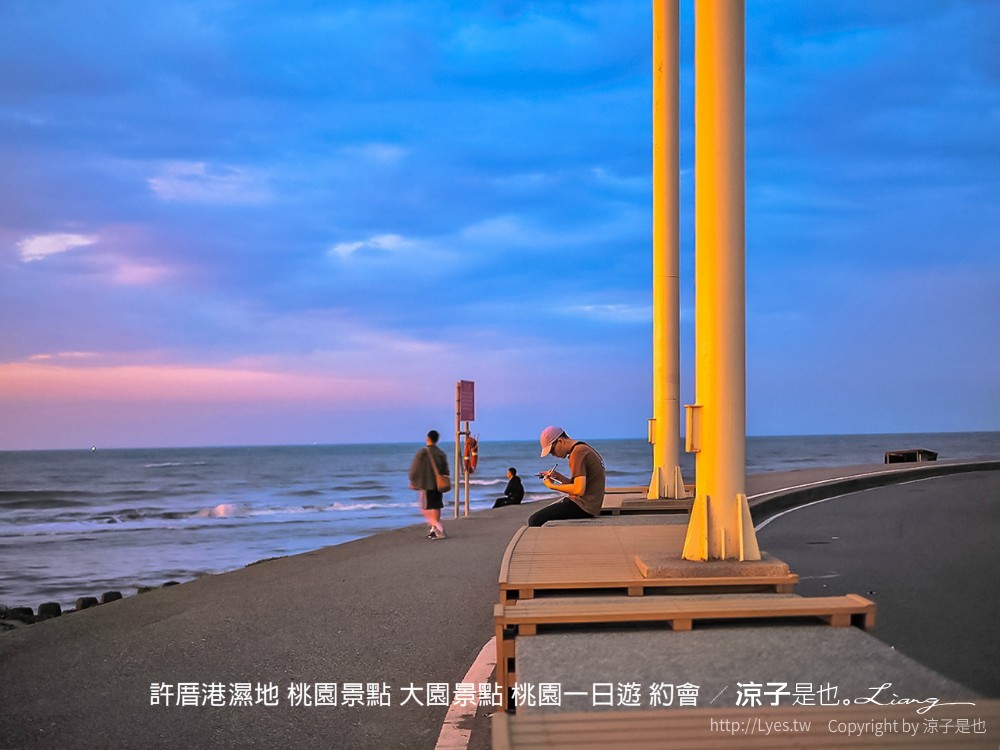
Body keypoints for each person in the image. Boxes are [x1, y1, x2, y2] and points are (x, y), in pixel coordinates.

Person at [528, 426, 606, 527]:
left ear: (560, 441)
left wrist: (551, 486)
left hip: (583, 507)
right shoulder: (582, 448)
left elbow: (578, 490)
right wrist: (558, 477)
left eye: (552, 450)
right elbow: (578, 486)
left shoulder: (578, 453)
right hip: (589, 505)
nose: (553, 455)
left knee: (535, 520)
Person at [408, 429, 450, 540]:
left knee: (424, 508)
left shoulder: (423, 452)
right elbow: (446, 470)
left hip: (426, 484)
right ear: (437, 440)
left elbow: (414, 469)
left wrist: (413, 481)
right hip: (438, 485)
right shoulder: (441, 453)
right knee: (436, 506)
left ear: (428, 439)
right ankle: (434, 529)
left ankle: (438, 527)